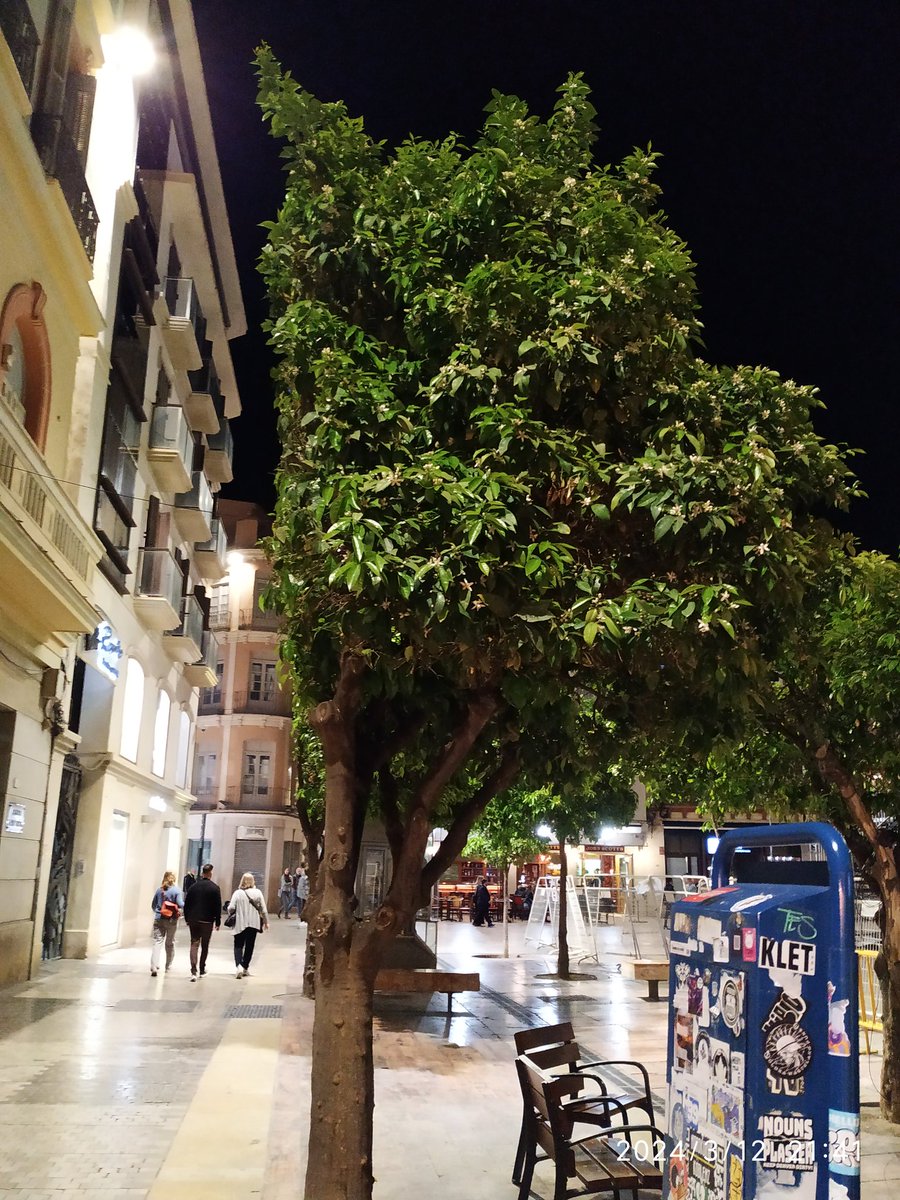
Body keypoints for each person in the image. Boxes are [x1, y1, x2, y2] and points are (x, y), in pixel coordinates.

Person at [182, 862, 222, 980]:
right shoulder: (215, 888)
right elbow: (217, 906)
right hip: (207, 921)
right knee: (205, 945)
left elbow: (187, 904)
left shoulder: (193, 887)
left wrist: (187, 918)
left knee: (194, 943)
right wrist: (218, 921)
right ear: (210, 873)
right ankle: (202, 969)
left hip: (194, 919)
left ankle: (193, 970)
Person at [226, 872, 269, 977]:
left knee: (238, 945)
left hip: (240, 923)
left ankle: (238, 966)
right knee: (250, 946)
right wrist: (266, 922)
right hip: (253, 923)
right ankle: (245, 966)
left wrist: (232, 912)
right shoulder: (258, 892)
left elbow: (231, 907)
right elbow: (263, 909)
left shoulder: (237, 893)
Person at [150, 870, 184, 976]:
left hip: (159, 918)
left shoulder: (159, 890)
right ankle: (168, 966)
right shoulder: (176, 891)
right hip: (171, 920)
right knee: (169, 943)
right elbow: (181, 904)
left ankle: (154, 966)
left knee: (157, 942)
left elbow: (153, 905)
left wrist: (158, 911)